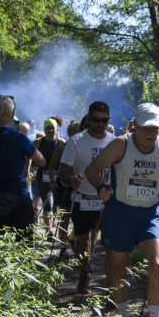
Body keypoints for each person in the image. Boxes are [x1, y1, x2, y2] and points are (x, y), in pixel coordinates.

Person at [87, 103, 159, 317]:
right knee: (118, 268)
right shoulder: (121, 144)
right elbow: (93, 169)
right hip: (119, 212)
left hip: (148, 214)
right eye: (146, 126)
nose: (151, 132)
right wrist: (100, 187)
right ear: (137, 125)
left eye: (156, 127)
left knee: (155, 265)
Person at [0, 95, 46, 237]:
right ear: (12, 114)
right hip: (18, 203)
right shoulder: (18, 138)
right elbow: (42, 161)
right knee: (23, 251)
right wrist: (33, 148)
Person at [60, 103, 114, 294]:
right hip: (82, 197)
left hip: (107, 200)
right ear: (88, 119)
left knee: (108, 242)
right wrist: (71, 180)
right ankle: (84, 274)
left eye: (104, 120)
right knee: (83, 240)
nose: (100, 124)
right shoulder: (76, 141)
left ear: (109, 119)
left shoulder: (115, 141)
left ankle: (111, 283)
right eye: (96, 120)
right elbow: (63, 171)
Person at [50, 118, 81, 257]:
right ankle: (63, 247)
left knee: (80, 218)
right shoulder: (62, 147)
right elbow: (51, 167)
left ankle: (73, 238)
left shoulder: (84, 148)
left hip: (80, 187)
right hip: (64, 187)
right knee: (65, 217)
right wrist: (53, 182)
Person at [35, 117, 65, 235]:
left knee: (55, 204)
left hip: (57, 176)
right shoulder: (38, 142)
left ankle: (50, 226)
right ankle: (48, 231)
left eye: (53, 128)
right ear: (44, 129)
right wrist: (28, 169)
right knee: (48, 203)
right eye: (48, 128)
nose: (51, 130)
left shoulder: (61, 142)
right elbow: (28, 156)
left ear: (56, 129)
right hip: (42, 176)